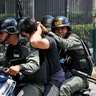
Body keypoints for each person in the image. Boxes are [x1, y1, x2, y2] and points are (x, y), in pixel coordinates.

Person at [41, 15, 92, 96]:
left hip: (80, 78)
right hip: (69, 74)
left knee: (65, 88)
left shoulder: (74, 39)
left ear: (67, 29)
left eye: (62, 28)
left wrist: (49, 33)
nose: (60, 31)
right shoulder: (58, 43)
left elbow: (66, 44)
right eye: (57, 29)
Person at [19, 17, 65, 96]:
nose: (25, 38)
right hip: (41, 79)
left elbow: (34, 42)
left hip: (54, 79)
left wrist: (38, 29)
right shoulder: (30, 43)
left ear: (33, 32)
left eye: (25, 35)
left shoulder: (49, 40)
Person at [0, 17, 43, 96]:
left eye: (1, 33)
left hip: (33, 83)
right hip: (14, 81)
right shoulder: (7, 46)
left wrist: (19, 67)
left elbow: (34, 65)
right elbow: (3, 62)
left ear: (11, 31)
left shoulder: (28, 44)